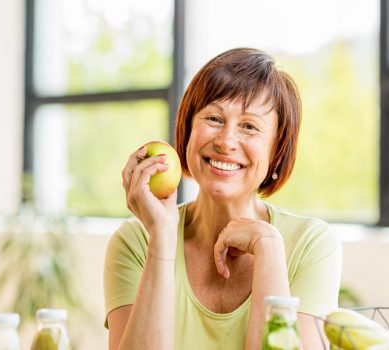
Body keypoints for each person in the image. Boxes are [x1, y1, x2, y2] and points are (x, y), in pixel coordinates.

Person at [104, 48, 342, 350]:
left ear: (276, 150)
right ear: (188, 129)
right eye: (214, 118)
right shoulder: (135, 242)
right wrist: (162, 238)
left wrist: (267, 246)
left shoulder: (311, 244)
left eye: (249, 126)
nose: (226, 141)